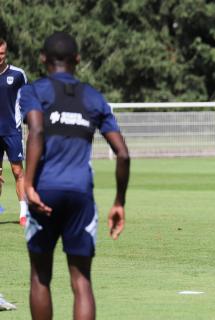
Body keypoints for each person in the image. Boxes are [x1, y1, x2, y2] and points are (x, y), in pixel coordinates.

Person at [20, 31, 130, 319]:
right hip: (81, 195)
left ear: (42, 58)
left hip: (44, 192)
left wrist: (28, 184)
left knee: (40, 276)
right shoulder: (93, 96)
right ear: (78, 60)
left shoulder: (34, 91)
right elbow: (123, 153)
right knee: (82, 281)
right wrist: (119, 201)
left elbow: (37, 130)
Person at [0, 38, 28, 226]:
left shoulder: (18, 75)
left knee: (17, 171)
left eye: (1, 53)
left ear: (6, 53)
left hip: (11, 131)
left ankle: (24, 214)